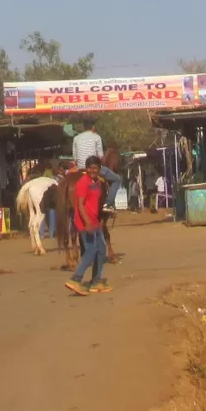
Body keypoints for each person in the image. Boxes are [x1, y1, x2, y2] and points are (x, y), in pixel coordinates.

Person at [64, 156, 111, 295]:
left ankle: (96, 281)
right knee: (91, 250)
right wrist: (87, 221)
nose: (92, 171)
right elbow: (79, 204)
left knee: (101, 248)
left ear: (99, 169)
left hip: (94, 221)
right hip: (85, 222)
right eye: (90, 168)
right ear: (86, 168)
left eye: (95, 168)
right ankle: (76, 279)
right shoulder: (83, 182)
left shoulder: (97, 182)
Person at [70, 119, 122, 214]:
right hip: (93, 168)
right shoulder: (96, 137)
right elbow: (100, 157)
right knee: (117, 179)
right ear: (93, 127)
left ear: (84, 128)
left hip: (80, 167)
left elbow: (75, 159)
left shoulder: (76, 138)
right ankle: (108, 204)